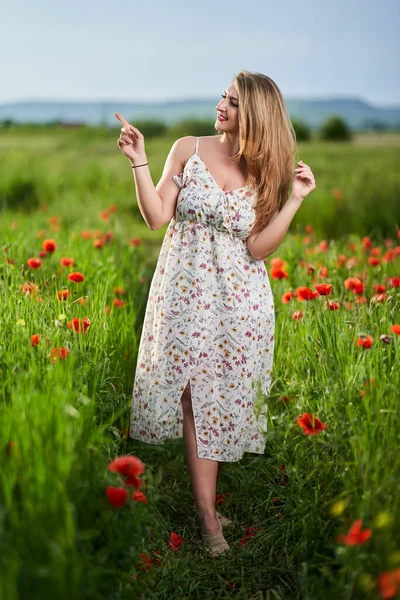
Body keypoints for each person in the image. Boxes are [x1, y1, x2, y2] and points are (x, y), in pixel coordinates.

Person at [115, 70, 316, 557]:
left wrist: (294, 200)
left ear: (256, 115)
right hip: (185, 293)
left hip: (239, 301)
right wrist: (139, 162)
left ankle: (207, 500)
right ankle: (208, 518)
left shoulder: (266, 171)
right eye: (223, 96)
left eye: (234, 102)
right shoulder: (188, 148)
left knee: (221, 397)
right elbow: (157, 216)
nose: (222, 105)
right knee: (190, 393)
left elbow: (257, 249)